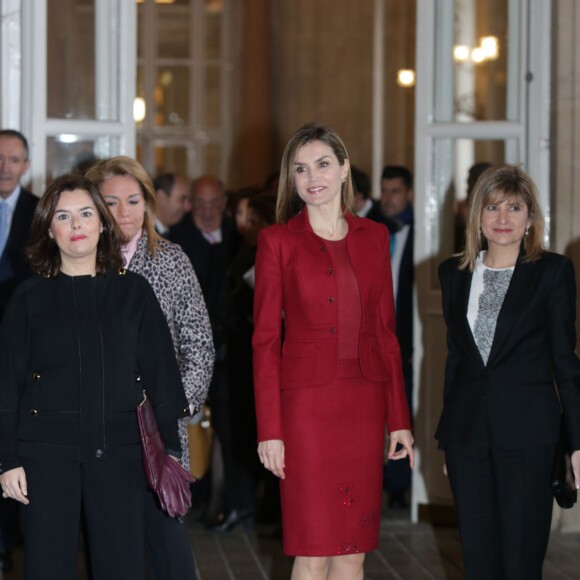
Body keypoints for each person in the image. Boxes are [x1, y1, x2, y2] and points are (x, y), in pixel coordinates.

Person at [0, 174, 189, 580]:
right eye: (63, 217)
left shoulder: (133, 292)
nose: (76, 226)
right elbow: (7, 384)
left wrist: (171, 449)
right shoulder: (28, 297)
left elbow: (161, 374)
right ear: (50, 229)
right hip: (45, 454)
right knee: (47, 568)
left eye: (86, 214)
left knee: (120, 567)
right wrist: (7, 459)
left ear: (102, 223)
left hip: (121, 453)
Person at [253, 122, 414, 580]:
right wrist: (271, 430)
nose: (312, 177)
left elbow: (386, 333)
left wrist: (398, 418)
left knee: (353, 551)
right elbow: (264, 342)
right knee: (312, 551)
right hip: (306, 412)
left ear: (344, 169)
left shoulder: (375, 237)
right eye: (301, 169)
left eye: (323, 164)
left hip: (363, 405)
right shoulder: (277, 242)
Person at [436, 164, 580, 580]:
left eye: (514, 208)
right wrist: (450, 438)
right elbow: (455, 360)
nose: (502, 219)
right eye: (493, 207)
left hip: (529, 437)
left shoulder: (552, 272)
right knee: (478, 562)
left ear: (531, 218)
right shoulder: (453, 274)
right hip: (467, 437)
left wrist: (576, 444)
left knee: (520, 562)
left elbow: (565, 361)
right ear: (476, 214)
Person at [86, 156, 214, 579]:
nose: (124, 212)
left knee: (169, 552)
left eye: (133, 200)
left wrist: (173, 405)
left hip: (158, 433)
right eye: (111, 201)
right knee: (109, 551)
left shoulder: (172, 260)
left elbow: (199, 343)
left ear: (148, 204)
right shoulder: (79, 263)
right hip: (97, 432)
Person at [170, 175, 240, 528]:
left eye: (215, 204)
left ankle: (223, 499)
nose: (209, 212)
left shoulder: (235, 234)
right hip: (185, 352)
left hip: (227, 351)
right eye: (202, 204)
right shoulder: (176, 240)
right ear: (191, 205)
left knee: (225, 428)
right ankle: (188, 496)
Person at [0, 129, 37, 572]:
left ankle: (8, 537)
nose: (4, 167)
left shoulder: (39, 212)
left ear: (26, 165)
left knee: (11, 442)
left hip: (22, 349)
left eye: (12, 159)